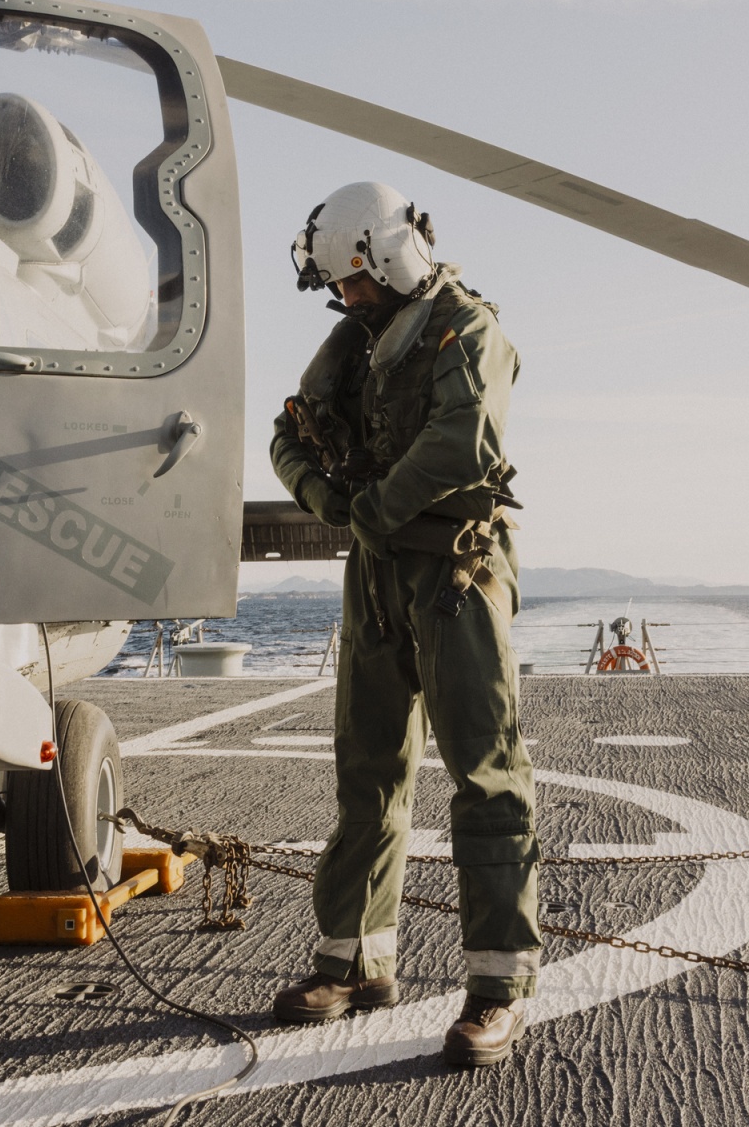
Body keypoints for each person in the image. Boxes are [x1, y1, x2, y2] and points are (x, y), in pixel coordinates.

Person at [267, 181, 540, 1069]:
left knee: (485, 776)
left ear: (386, 260)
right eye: (338, 289)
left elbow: (464, 442)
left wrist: (372, 507)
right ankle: (353, 961)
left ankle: (499, 988)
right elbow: (291, 435)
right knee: (367, 773)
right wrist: (328, 501)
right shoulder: (352, 343)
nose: (344, 300)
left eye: (351, 283)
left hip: (456, 572)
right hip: (377, 575)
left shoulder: (469, 330)